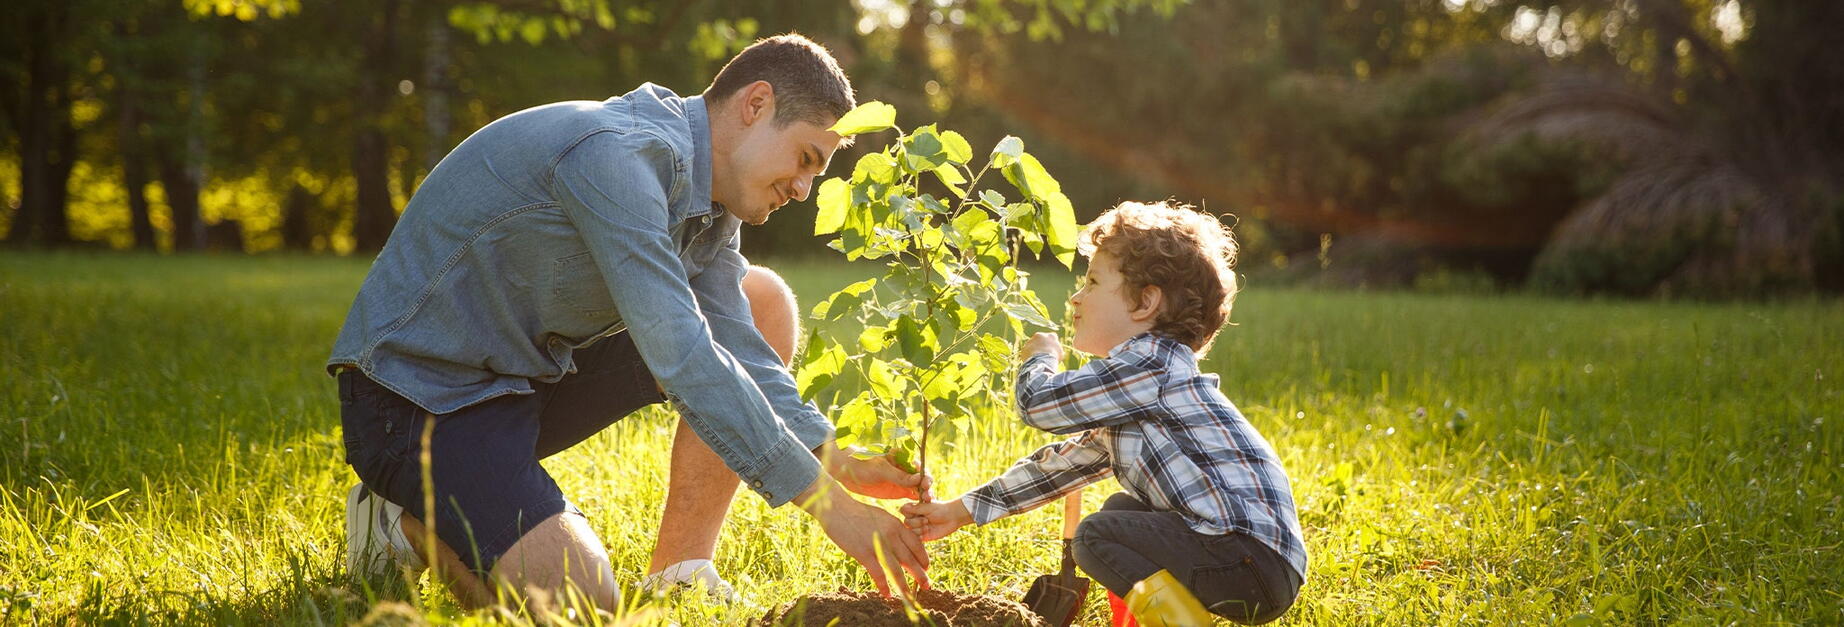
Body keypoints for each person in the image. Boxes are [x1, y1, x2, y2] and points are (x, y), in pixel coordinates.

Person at [329, 33, 930, 611]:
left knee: (759, 300)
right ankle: (400, 522)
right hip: (415, 402)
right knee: (583, 604)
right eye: (805, 158)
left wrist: (832, 457)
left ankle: (681, 573)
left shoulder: (711, 205)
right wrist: (829, 506)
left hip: (521, 381)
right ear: (756, 104)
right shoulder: (617, 155)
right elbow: (682, 352)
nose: (803, 188)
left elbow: (737, 344)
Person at [901, 201, 1307, 625]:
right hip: (1253, 562)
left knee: (1095, 536)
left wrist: (1039, 358)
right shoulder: (1140, 390)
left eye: (1092, 282)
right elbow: (1058, 468)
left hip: (1245, 556)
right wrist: (958, 511)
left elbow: (1037, 404)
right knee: (1118, 513)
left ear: (1145, 302)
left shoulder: (1151, 366)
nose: (1076, 297)